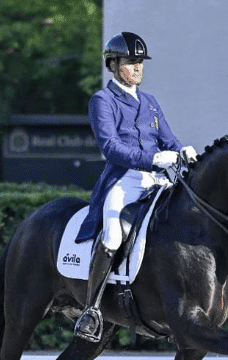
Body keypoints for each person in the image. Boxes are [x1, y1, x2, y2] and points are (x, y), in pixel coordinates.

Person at [72, 32, 198, 342]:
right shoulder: (103, 101)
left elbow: (169, 139)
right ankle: (92, 310)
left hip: (158, 180)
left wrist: (184, 151)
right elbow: (111, 148)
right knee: (113, 234)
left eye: (140, 62)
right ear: (113, 64)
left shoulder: (151, 102)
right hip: (125, 178)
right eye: (130, 62)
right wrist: (155, 158)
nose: (137, 68)